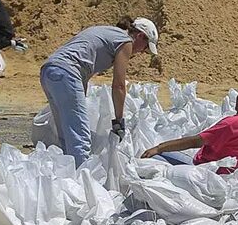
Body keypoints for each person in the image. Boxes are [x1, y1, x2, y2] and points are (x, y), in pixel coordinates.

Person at [40, 17, 159, 167]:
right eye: (145, 47)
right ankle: (83, 182)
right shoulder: (126, 42)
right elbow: (119, 86)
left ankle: (67, 176)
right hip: (67, 72)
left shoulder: (108, 32)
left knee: (66, 132)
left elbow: (85, 70)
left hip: (49, 72)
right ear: (141, 36)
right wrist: (119, 121)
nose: (142, 52)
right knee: (80, 138)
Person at [141, 80, 238, 175]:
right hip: (226, 172)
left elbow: (196, 141)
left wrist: (159, 148)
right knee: (164, 153)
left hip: (205, 171)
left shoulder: (233, 123)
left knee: (151, 158)